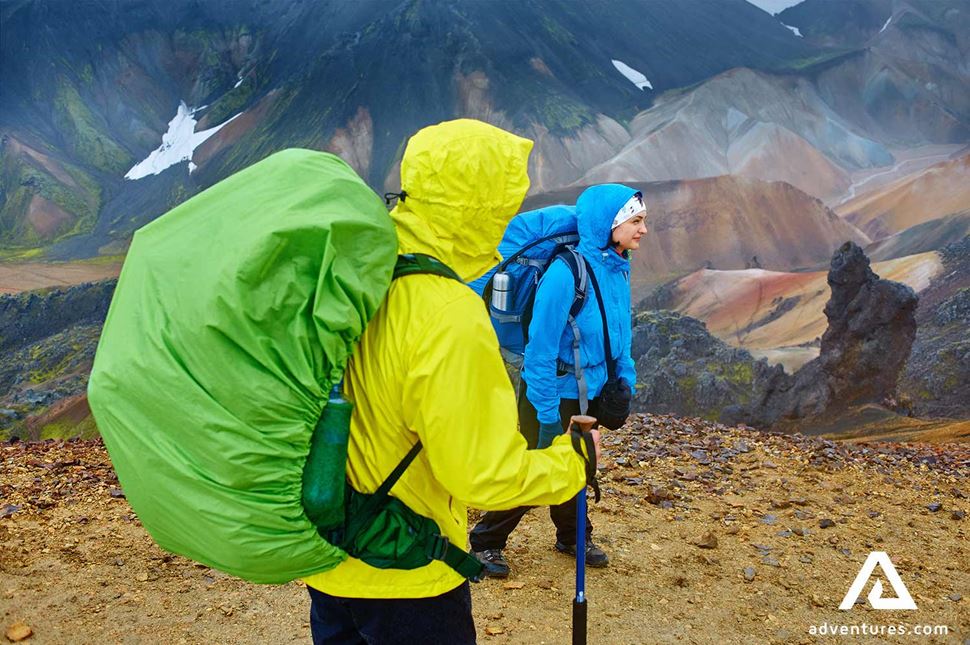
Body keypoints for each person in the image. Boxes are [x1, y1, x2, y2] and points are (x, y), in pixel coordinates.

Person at [301, 119, 601, 644]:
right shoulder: (447, 312)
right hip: (406, 567)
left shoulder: (354, 271)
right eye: (504, 205)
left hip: (329, 552)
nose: (509, 218)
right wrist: (571, 463)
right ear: (478, 210)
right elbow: (481, 475)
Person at [469, 183, 648, 578]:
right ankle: (485, 542)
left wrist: (623, 382)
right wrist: (547, 414)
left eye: (642, 221)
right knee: (533, 467)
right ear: (610, 224)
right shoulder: (566, 273)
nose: (643, 230)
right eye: (636, 220)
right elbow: (540, 350)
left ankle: (573, 536)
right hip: (551, 392)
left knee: (577, 466)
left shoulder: (617, 266)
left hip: (590, 394)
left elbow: (620, 333)